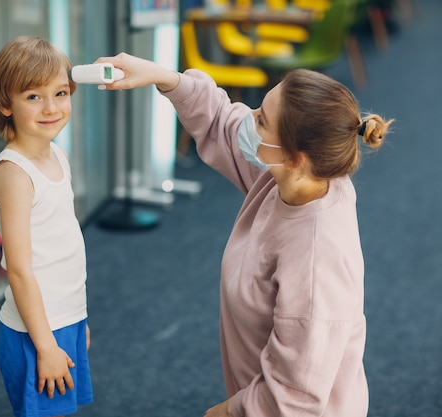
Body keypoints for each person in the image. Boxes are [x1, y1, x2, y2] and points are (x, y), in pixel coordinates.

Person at [95, 53, 393, 417]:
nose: (247, 119)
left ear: (295, 157)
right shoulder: (300, 174)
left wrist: (223, 412)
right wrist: (163, 77)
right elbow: (223, 121)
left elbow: (293, 399)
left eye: (261, 120)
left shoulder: (316, 260)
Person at [0, 36, 93, 417]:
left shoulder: (56, 154)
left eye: (60, 93)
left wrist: (78, 319)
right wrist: (46, 346)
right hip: (35, 331)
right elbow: (19, 268)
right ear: (4, 103)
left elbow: (61, 246)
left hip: (64, 319)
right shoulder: (14, 173)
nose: (52, 108)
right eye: (33, 97)